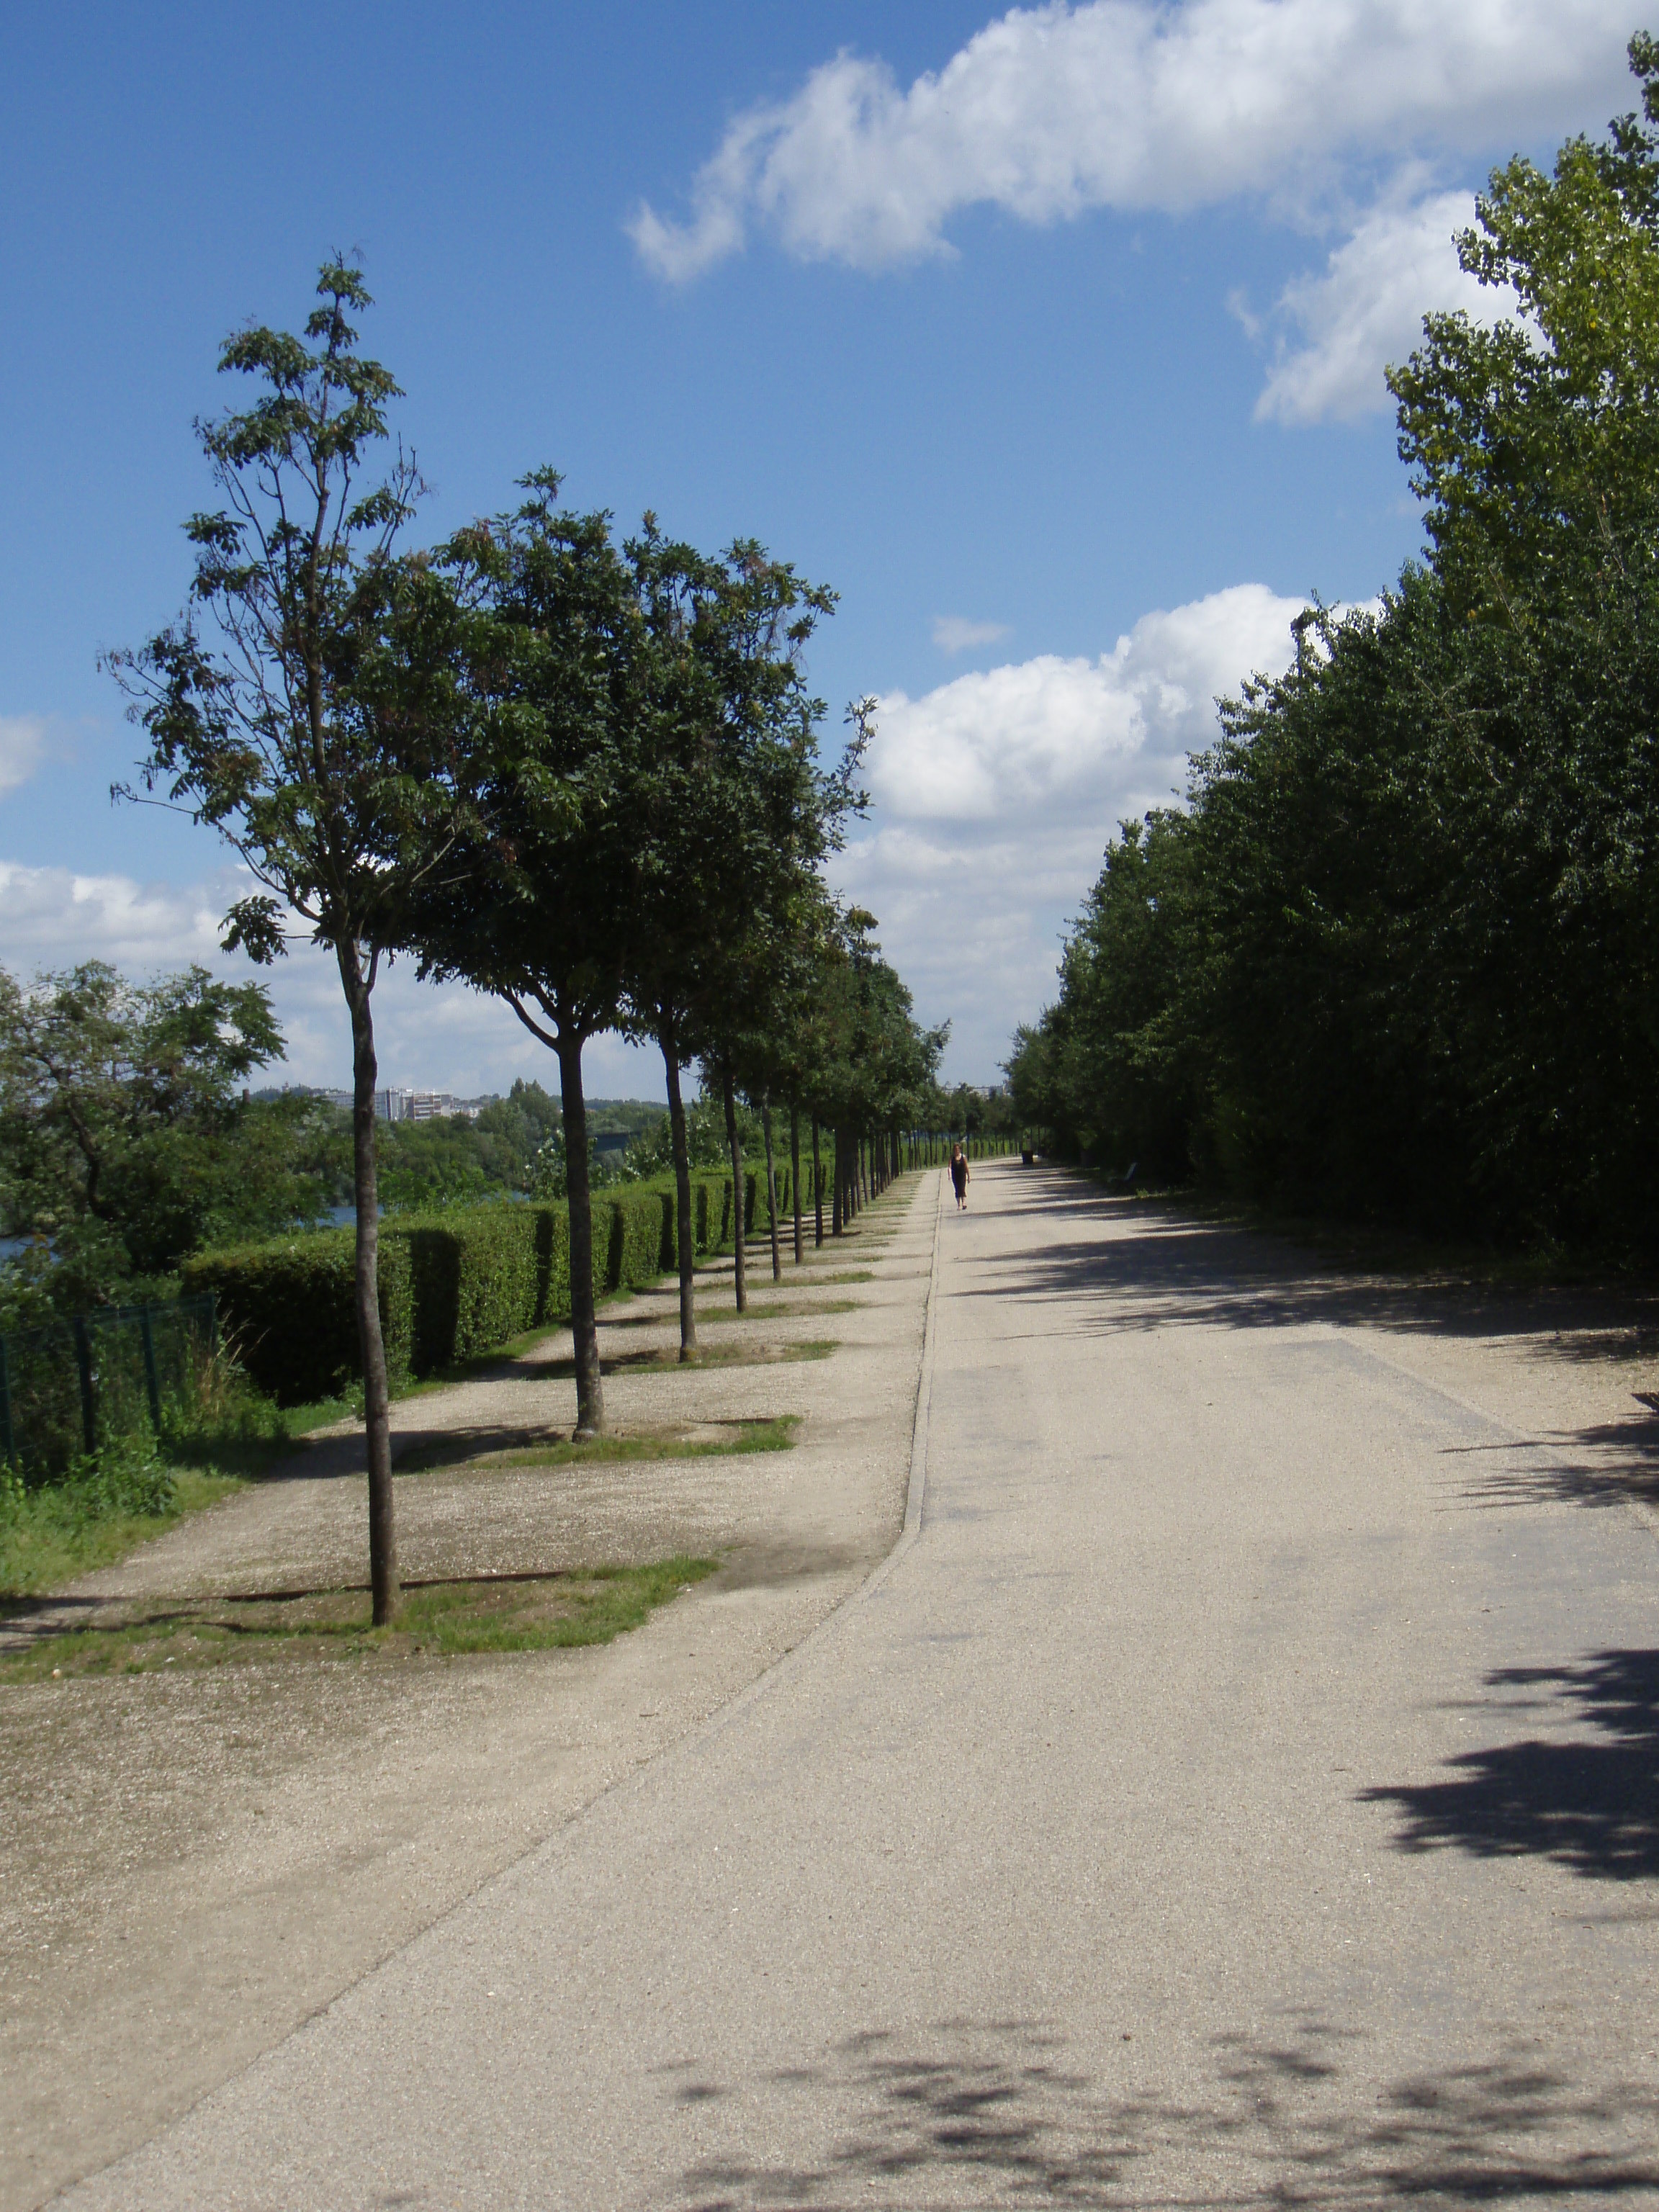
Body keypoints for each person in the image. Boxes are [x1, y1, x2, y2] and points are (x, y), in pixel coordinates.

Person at [950, 1142, 970, 1210]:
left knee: (962, 1188)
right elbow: (949, 1167)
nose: (957, 1150)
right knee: (957, 1189)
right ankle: (959, 1205)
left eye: (958, 1149)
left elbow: (966, 1167)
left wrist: (969, 1176)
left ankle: (964, 1203)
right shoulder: (952, 1157)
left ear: (960, 1150)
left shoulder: (963, 1157)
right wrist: (949, 1174)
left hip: (962, 1175)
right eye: (955, 1149)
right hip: (955, 1176)